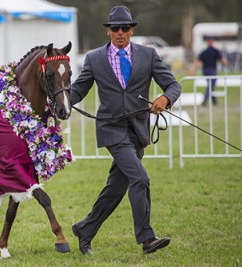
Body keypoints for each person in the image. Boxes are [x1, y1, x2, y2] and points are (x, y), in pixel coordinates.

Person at [70, 6, 181, 255]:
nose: (120, 32)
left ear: (131, 30)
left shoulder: (149, 55)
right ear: (108, 31)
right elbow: (78, 90)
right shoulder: (94, 58)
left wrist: (165, 98)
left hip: (138, 129)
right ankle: (147, 239)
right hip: (111, 128)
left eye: (125, 28)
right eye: (115, 28)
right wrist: (61, 102)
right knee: (140, 178)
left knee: (117, 187)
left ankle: (85, 229)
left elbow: (172, 85)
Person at [190, 38, 227, 106]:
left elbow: (197, 61)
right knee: (211, 86)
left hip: (205, 71)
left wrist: (193, 68)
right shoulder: (215, 51)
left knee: (211, 86)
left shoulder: (204, 51)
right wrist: (225, 62)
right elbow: (221, 60)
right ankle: (205, 99)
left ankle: (214, 102)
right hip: (212, 70)